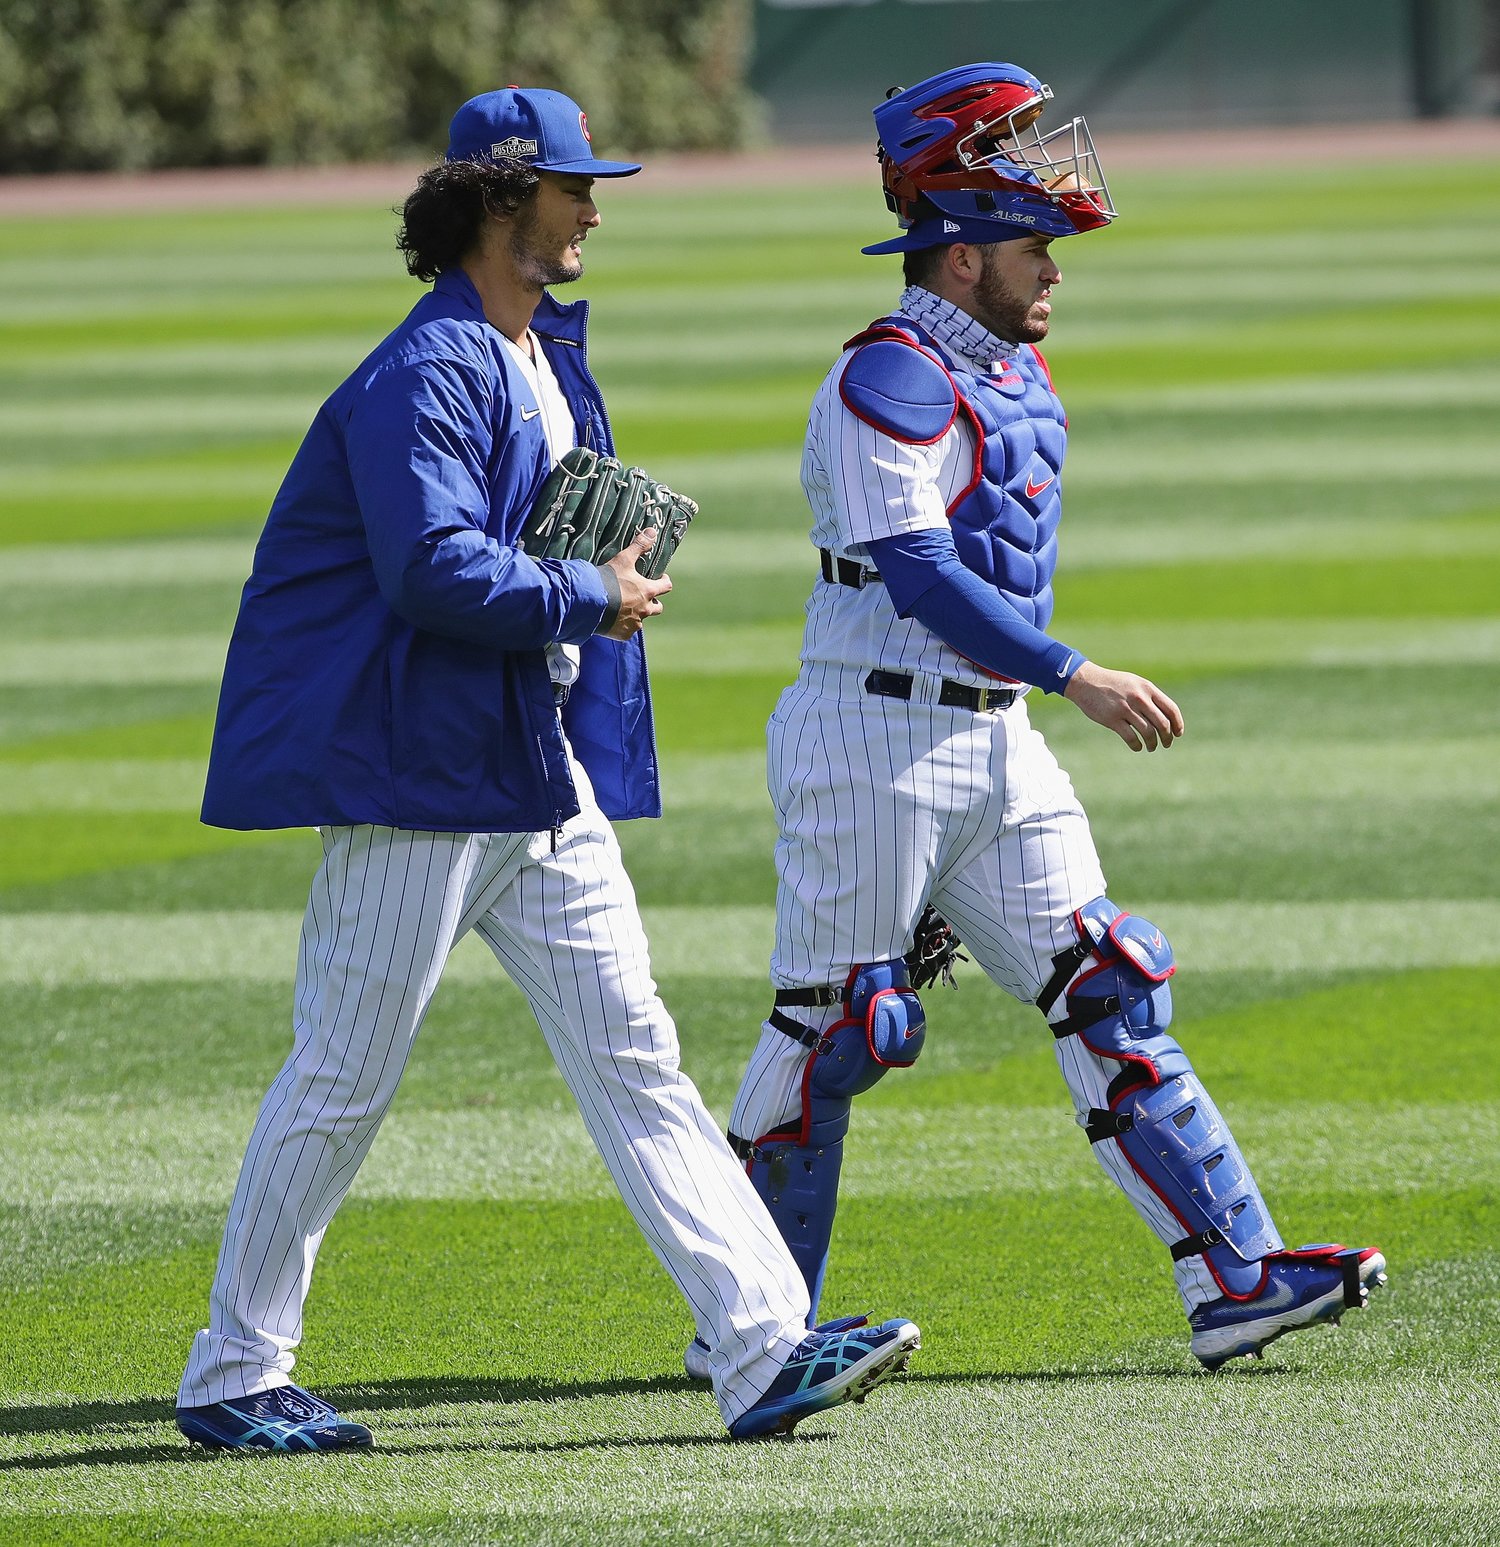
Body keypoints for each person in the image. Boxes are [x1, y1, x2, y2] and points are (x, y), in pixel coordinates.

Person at [173, 85, 919, 1452]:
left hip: (525, 764)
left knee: (637, 1053)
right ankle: (232, 1373)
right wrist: (589, 593)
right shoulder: (436, 366)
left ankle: (761, 1348)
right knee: (342, 1075)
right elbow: (430, 567)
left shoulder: (523, 349)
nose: (593, 208)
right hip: (424, 774)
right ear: (497, 201)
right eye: (574, 186)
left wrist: (587, 588)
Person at [689, 63, 1385, 1382]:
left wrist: (1037, 692)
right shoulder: (886, 381)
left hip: (991, 743)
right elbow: (921, 573)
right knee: (840, 1030)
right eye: (1031, 247)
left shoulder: (1004, 369)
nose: (1054, 269)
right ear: (957, 261)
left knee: (1110, 985)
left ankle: (1235, 1278)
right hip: (870, 737)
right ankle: (753, 1329)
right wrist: (1079, 673)